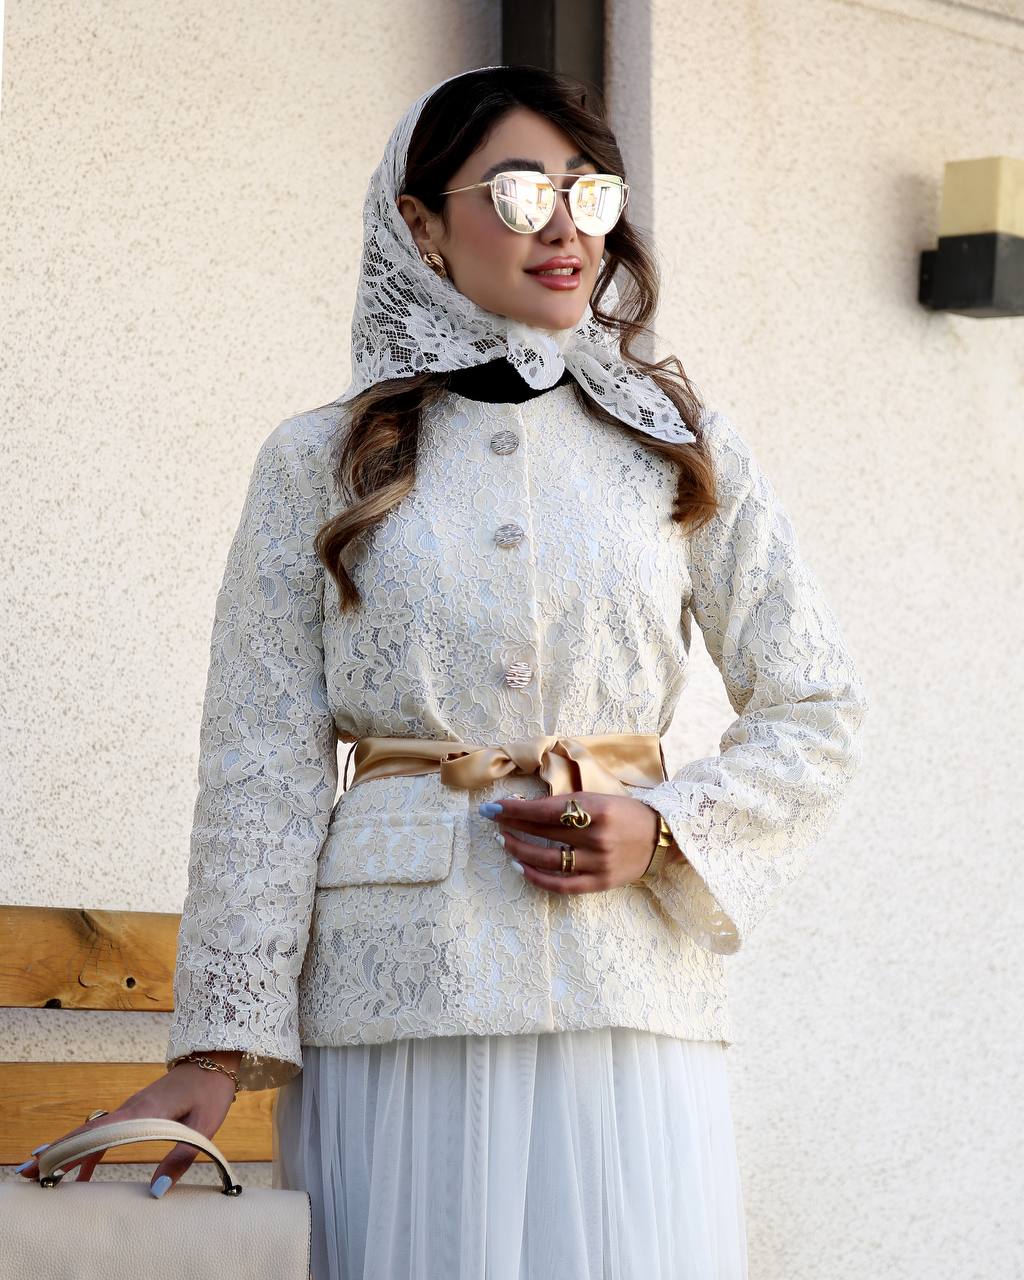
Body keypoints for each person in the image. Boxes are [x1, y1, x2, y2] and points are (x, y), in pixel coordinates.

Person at [14, 65, 869, 1279]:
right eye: (519, 193)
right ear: (419, 223)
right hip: (395, 1001)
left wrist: (669, 828)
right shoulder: (318, 459)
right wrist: (216, 1048)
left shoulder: (679, 447)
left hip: (626, 992)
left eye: (589, 192)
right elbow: (259, 762)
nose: (566, 228)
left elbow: (817, 706)